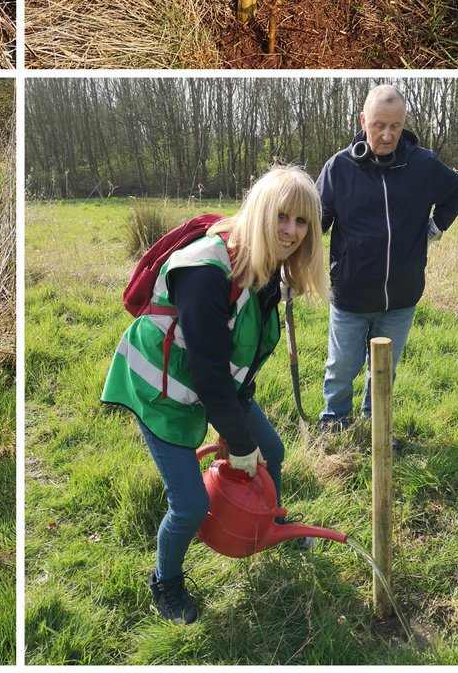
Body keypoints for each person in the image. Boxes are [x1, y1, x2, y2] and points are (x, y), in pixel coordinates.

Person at [102, 166, 326, 625]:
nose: (291, 231)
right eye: (282, 217)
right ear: (261, 212)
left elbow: (233, 360)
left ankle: (269, 524)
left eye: (302, 222)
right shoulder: (207, 270)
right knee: (190, 506)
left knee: (274, 450)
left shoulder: (265, 267)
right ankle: (165, 582)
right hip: (160, 390)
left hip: (215, 385)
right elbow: (207, 373)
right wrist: (239, 445)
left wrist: (245, 438)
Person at [314, 84, 458, 432]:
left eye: (395, 126)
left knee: (384, 370)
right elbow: (314, 224)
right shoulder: (339, 168)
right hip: (351, 296)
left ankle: (376, 426)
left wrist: (436, 227)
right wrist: (288, 264)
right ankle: (334, 422)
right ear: (363, 121)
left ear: (403, 124)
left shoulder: (423, 165)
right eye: (378, 125)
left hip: (401, 296)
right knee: (341, 366)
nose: (386, 135)